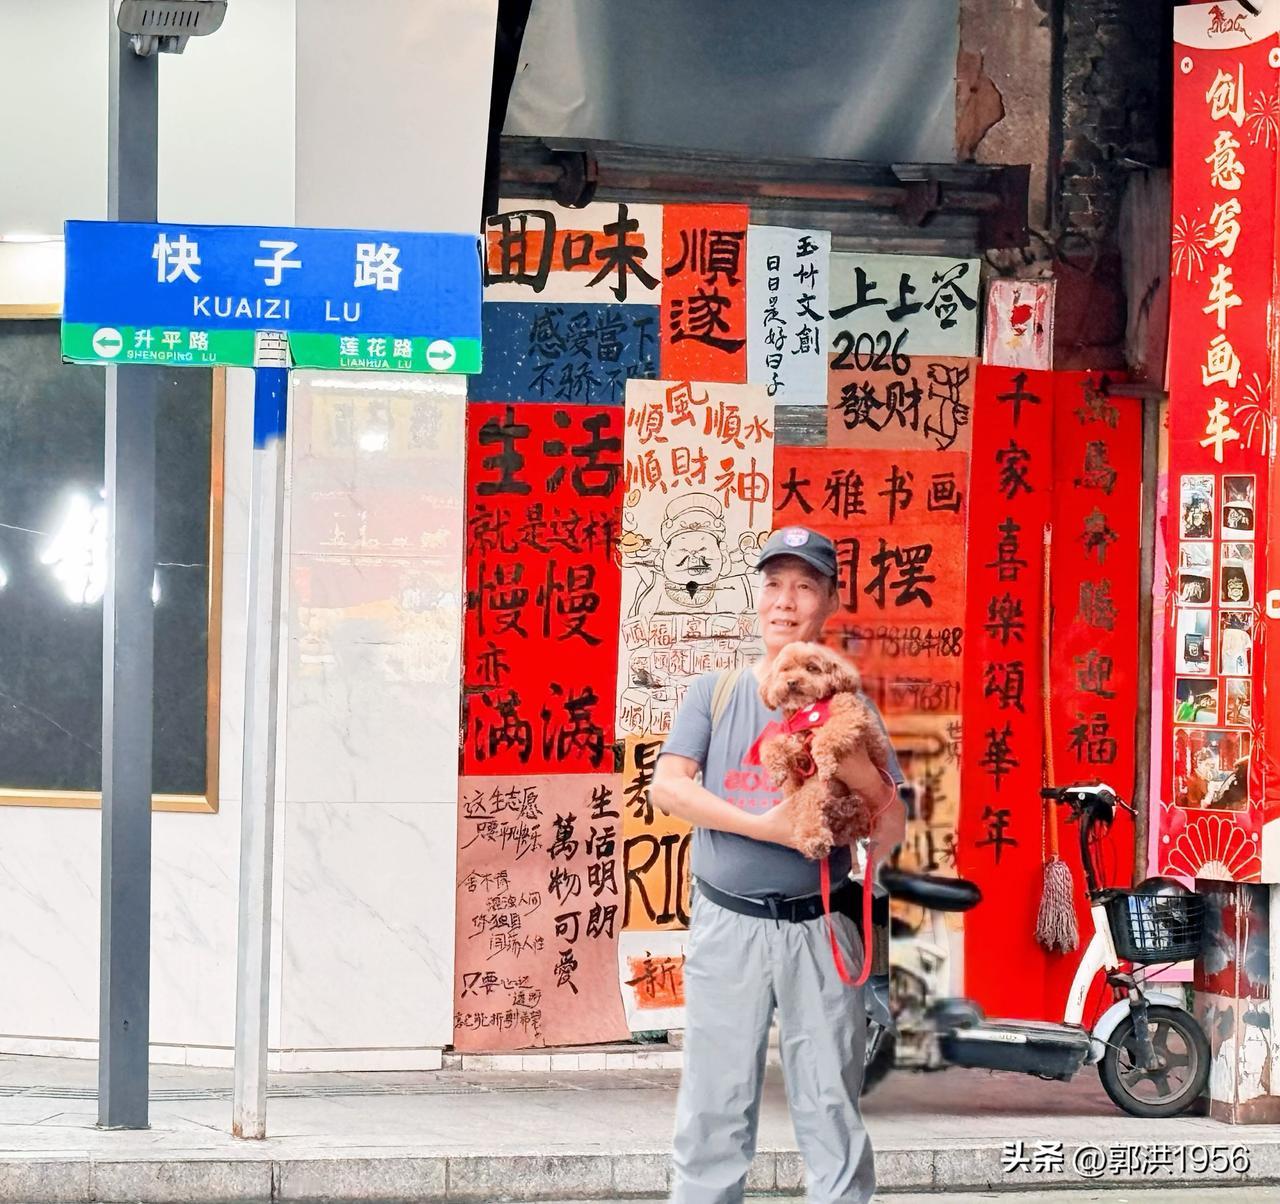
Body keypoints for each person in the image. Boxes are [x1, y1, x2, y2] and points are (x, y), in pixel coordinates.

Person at [651, 525, 905, 1204]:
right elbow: (668, 785)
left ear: (828, 602)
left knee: (830, 1104)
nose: (784, 600)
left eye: (803, 586)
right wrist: (763, 826)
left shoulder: (852, 705)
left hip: (820, 928)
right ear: (756, 596)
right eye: (773, 584)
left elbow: (894, 819)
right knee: (714, 1104)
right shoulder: (716, 692)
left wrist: (860, 774)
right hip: (726, 925)